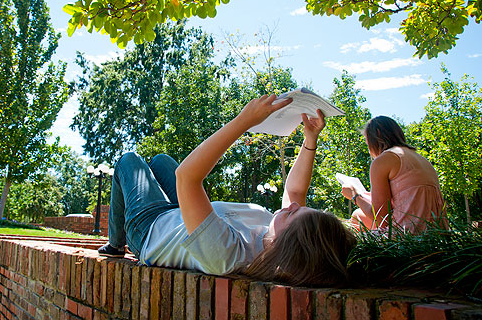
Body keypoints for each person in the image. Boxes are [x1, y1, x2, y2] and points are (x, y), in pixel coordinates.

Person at [98, 94, 356, 287]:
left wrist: (244, 121)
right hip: (179, 217)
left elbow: (187, 177)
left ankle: (116, 243)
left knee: (129, 160)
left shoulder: (229, 257)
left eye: (291, 214)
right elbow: (296, 191)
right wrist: (310, 139)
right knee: (161, 160)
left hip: (151, 230)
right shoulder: (273, 233)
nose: (293, 205)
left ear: (282, 245)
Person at [341, 115, 447, 233]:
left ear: (377, 134)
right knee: (358, 215)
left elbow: (382, 220)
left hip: (406, 238)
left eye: (367, 141)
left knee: (353, 226)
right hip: (435, 236)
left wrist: (355, 196)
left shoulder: (384, 160)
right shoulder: (423, 160)